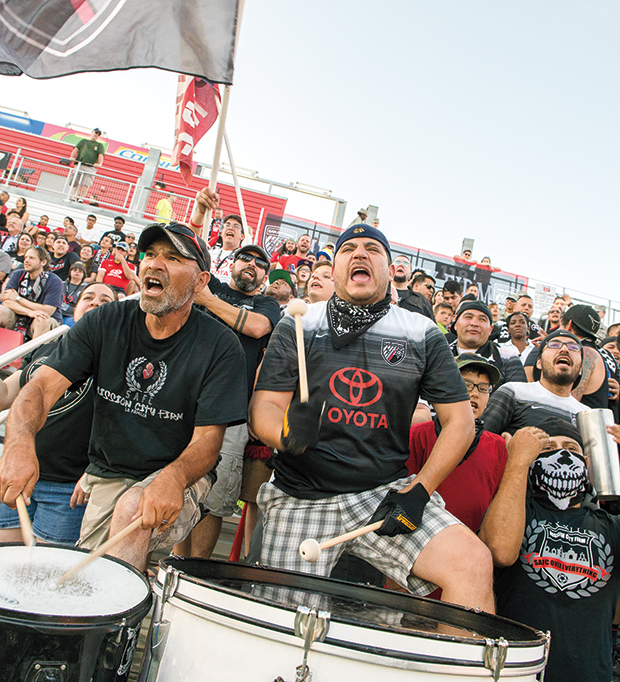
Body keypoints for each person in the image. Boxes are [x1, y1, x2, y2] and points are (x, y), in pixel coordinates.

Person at [249, 224, 494, 611]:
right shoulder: (299, 322)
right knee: (280, 627)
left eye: (372, 249)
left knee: (472, 564)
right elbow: (264, 408)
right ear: (336, 266)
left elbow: (461, 422)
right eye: (348, 249)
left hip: (384, 495)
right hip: (301, 495)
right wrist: (285, 435)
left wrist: (419, 492)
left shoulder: (422, 332)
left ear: (390, 268)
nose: (360, 254)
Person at [0, 222, 248, 571]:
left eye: (173, 257)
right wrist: (18, 442)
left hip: (182, 473)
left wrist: (174, 479)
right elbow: (39, 388)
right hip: (108, 470)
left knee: (131, 516)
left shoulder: (221, 347)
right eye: (150, 255)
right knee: (86, 570)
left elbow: (208, 441)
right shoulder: (105, 321)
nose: (154, 264)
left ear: (201, 281)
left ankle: (116, 622)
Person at [479, 418, 620, 682]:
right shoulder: (518, 513)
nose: (561, 454)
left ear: (587, 465)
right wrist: (517, 462)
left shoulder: (610, 526)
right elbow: (499, 550)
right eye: (546, 449)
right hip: (517, 673)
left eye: (571, 448)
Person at [178, 238, 281, 559]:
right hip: (184, 400)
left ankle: (199, 569)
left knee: (214, 498)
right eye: (245, 258)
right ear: (231, 263)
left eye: (260, 263)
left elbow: (257, 327)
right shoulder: (212, 286)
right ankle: (176, 563)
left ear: (265, 275)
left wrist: (208, 302)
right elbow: (186, 258)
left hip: (230, 411)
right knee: (179, 488)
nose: (252, 265)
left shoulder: (267, 305)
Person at [0, 283, 119, 545]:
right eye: (88, 297)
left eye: (105, 300)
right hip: (18, 475)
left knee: (45, 575)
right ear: (74, 309)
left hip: (66, 488)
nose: (95, 303)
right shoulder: (47, 349)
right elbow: (6, 395)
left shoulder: (116, 358)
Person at [408, 354, 507, 533]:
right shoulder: (419, 435)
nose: (475, 393)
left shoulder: (498, 446)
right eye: (466, 385)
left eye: (483, 388)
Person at [482, 330, 589, 434]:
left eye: (573, 347)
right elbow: (481, 440)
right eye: (554, 345)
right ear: (539, 363)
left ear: (580, 369)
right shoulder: (514, 392)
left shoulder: (586, 416)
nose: (564, 349)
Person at [448, 300, 526, 384]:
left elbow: (518, 394)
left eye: (482, 319)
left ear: (490, 329)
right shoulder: (439, 355)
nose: (474, 323)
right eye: (468, 317)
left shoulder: (507, 358)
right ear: (456, 324)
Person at [0, 246, 63, 338]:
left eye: (31, 258)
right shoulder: (17, 274)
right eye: (25, 257)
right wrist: (28, 312)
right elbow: (7, 301)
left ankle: (34, 352)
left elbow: (47, 311)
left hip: (45, 320)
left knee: (42, 320)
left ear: (43, 262)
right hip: (20, 316)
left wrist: (18, 299)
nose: (26, 260)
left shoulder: (54, 281)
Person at [69, 128, 105, 200]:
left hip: (90, 167)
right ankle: (73, 197)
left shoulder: (99, 145)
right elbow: (76, 149)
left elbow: (100, 155)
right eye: (96, 132)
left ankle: (81, 198)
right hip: (80, 164)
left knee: (86, 183)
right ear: (92, 132)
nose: (96, 134)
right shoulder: (83, 141)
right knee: (75, 180)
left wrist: (99, 163)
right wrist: (72, 157)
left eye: (99, 134)